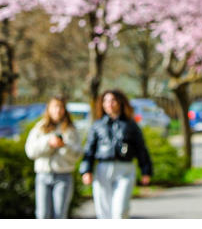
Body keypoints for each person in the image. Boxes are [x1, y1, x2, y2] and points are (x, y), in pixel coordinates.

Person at [80, 89, 152, 219]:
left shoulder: (130, 125)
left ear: (120, 103)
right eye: (106, 101)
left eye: (113, 100)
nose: (109, 104)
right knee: (104, 212)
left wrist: (146, 170)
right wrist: (86, 170)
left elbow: (141, 148)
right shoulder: (97, 125)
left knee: (120, 211)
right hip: (103, 169)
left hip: (125, 169)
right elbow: (89, 149)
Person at [24, 96, 83, 218]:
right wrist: (48, 143)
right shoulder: (40, 128)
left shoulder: (71, 129)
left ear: (64, 110)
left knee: (59, 215)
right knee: (42, 215)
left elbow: (77, 154)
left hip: (63, 176)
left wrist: (63, 145)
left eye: (61, 107)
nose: (58, 110)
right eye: (55, 106)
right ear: (49, 109)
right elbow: (31, 152)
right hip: (43, 176)